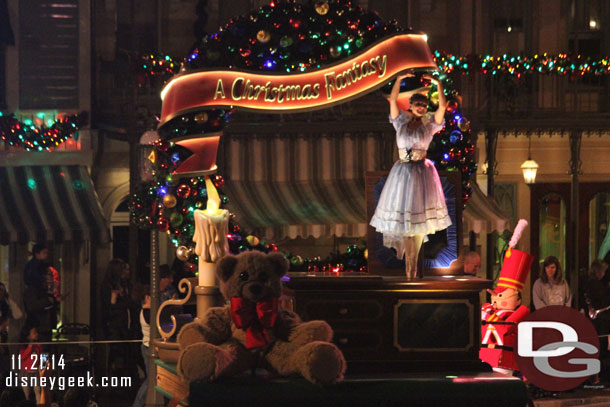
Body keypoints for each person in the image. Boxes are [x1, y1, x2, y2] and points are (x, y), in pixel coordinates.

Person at [370, 70, 451, 278]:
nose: (421, 108)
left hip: (421, 173)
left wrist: (438, 83)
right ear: (412, 106)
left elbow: (442, 106)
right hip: (403, 173)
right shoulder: (401, 122)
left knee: (417, 224)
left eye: (424, 105)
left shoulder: (429, 125)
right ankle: (409, 267)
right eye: (418, 104)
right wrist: (399, 79)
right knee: (406, 223)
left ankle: (413, 267)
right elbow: (393, 99)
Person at [100, 259, 132, 373]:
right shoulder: (107, 286)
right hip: (113, 325)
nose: (127, 272)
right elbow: (108, 307)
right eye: (124, 269)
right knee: (117, 352)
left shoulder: (124, 284)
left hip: (124, 323)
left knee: (124, 351)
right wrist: (114, 301)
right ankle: (115, 378)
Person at [133, 286, 150, 407]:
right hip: (148, 348)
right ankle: (138, 404)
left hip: (147, 347)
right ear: (148, 298)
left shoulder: (144, 311)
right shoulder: (147, 313)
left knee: (152, 379)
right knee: (151, 380)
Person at [19, 324, 41, 405]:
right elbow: (23, 357)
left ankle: (39, 405)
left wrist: (42, 368)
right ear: (28, 336)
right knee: (26, 393)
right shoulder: (23, 346)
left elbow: (40, 357)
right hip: (26, 372)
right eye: (34, 333)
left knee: (38, 391)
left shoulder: (38, 346)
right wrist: (29, 347)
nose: (37, 334)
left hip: (35, 372)